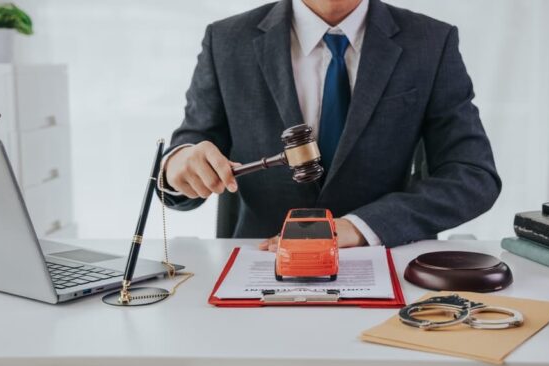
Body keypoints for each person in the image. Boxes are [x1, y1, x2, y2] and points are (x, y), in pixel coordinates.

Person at [158, 0, 501, 251]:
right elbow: (191, 145)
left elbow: (472, 175)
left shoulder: (430, 42)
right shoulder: (227, 40)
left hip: (385, 259)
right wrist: (178, 164)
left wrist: (359, 227)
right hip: (260, 263)